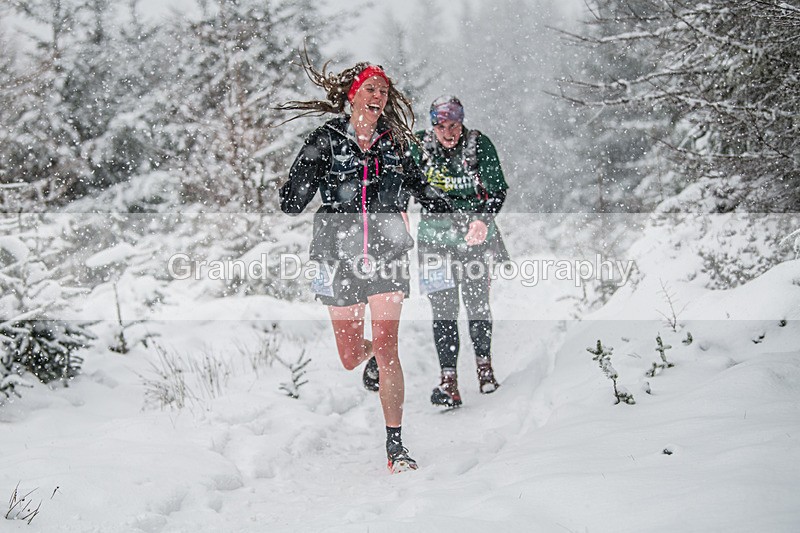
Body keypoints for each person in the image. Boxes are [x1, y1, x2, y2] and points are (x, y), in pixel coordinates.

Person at [278, 60, 452, 473]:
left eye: (383, 91)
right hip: (335, 252)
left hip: (387, 249)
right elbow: (291, 202)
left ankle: (396, 445)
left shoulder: (394, 144)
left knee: (389, 344)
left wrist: (441, 203)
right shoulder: (326, 139)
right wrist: (299, 182)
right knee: (350, 354)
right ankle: (369, 355)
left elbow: (417, 183)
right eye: (370, 88)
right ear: (353, 94)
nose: (378, 96)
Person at [410, 95, 510, 408]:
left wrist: (482, 220)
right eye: (441, 126)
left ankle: (484, 366)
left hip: (475, 238)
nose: (448, 133)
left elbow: (498, 190)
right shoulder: (421, 147)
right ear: (433, 126)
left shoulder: (479, 145)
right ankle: (448, 380)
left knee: (477, 303)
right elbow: (407, 181)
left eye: (453, 125)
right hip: (434, 240)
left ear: (462, 122)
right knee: (442, 309)